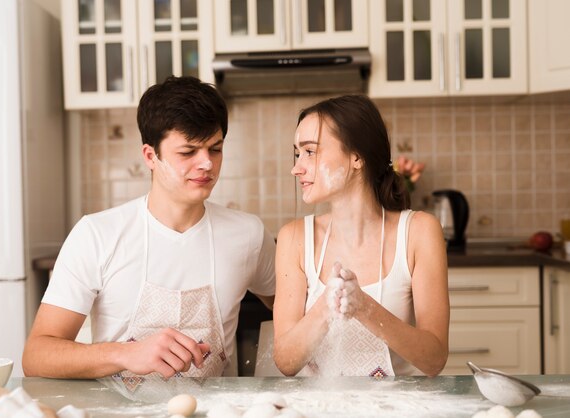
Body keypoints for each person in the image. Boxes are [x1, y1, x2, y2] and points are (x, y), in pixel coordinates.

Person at [23, 76, 276, 380]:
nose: (206, 164)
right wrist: (126, 353)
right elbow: (37, 356)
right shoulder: (97, 235)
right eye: (188, 152)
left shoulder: (248, 235)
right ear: (150, 156)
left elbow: (293, 315)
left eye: (215, 149)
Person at [273, 95, 449, 377]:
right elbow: (286, 362)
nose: (297, 167)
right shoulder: (294, 239)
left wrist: (364, 307)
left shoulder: (418, 232)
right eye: (297, 154)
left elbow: (434, 359)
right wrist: (326, 307)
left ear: (356, 157)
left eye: (310, 152)